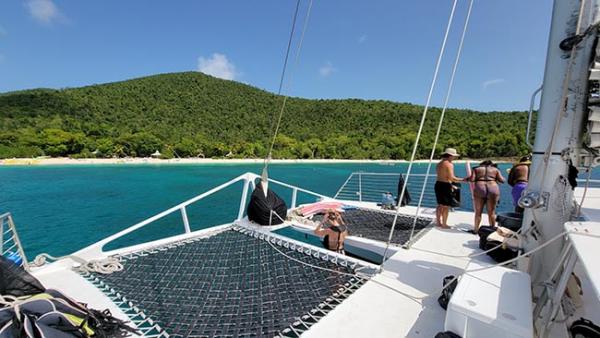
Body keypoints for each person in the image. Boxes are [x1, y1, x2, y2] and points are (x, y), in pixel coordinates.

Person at [469, 160, 505, 233]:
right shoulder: (496, 169)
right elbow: (502, 180)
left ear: (482, 164)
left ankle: (476, 230)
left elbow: (472, 179)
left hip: (480, 187)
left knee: (478, 212)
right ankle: (492, 229)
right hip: (493, 187)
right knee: (491, 212)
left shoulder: (476, 169)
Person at [435, 148, 464, 229]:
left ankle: (438, 222)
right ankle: (444, 224)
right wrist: (464, 180)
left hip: (438, 184)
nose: (454, 158)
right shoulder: (449, 164)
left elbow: (443, 176)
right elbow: (452, 178)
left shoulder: (439, 163)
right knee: (446, 206)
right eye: (454, 156)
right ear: (450, 156)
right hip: (445, 186)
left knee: (440, 205)